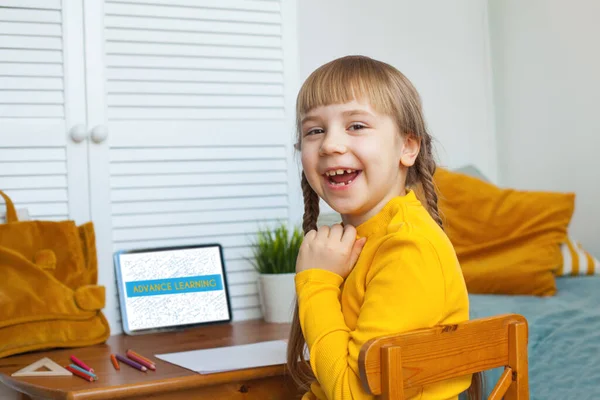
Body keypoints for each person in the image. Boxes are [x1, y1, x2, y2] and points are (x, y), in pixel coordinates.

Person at [286, 55, 482, 400]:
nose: (330, 144)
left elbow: (351, 395)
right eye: (314, 130)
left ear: (407, 146)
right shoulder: (353, 241)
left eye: (356, 126)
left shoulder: (408, 249)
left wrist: (316, 283)